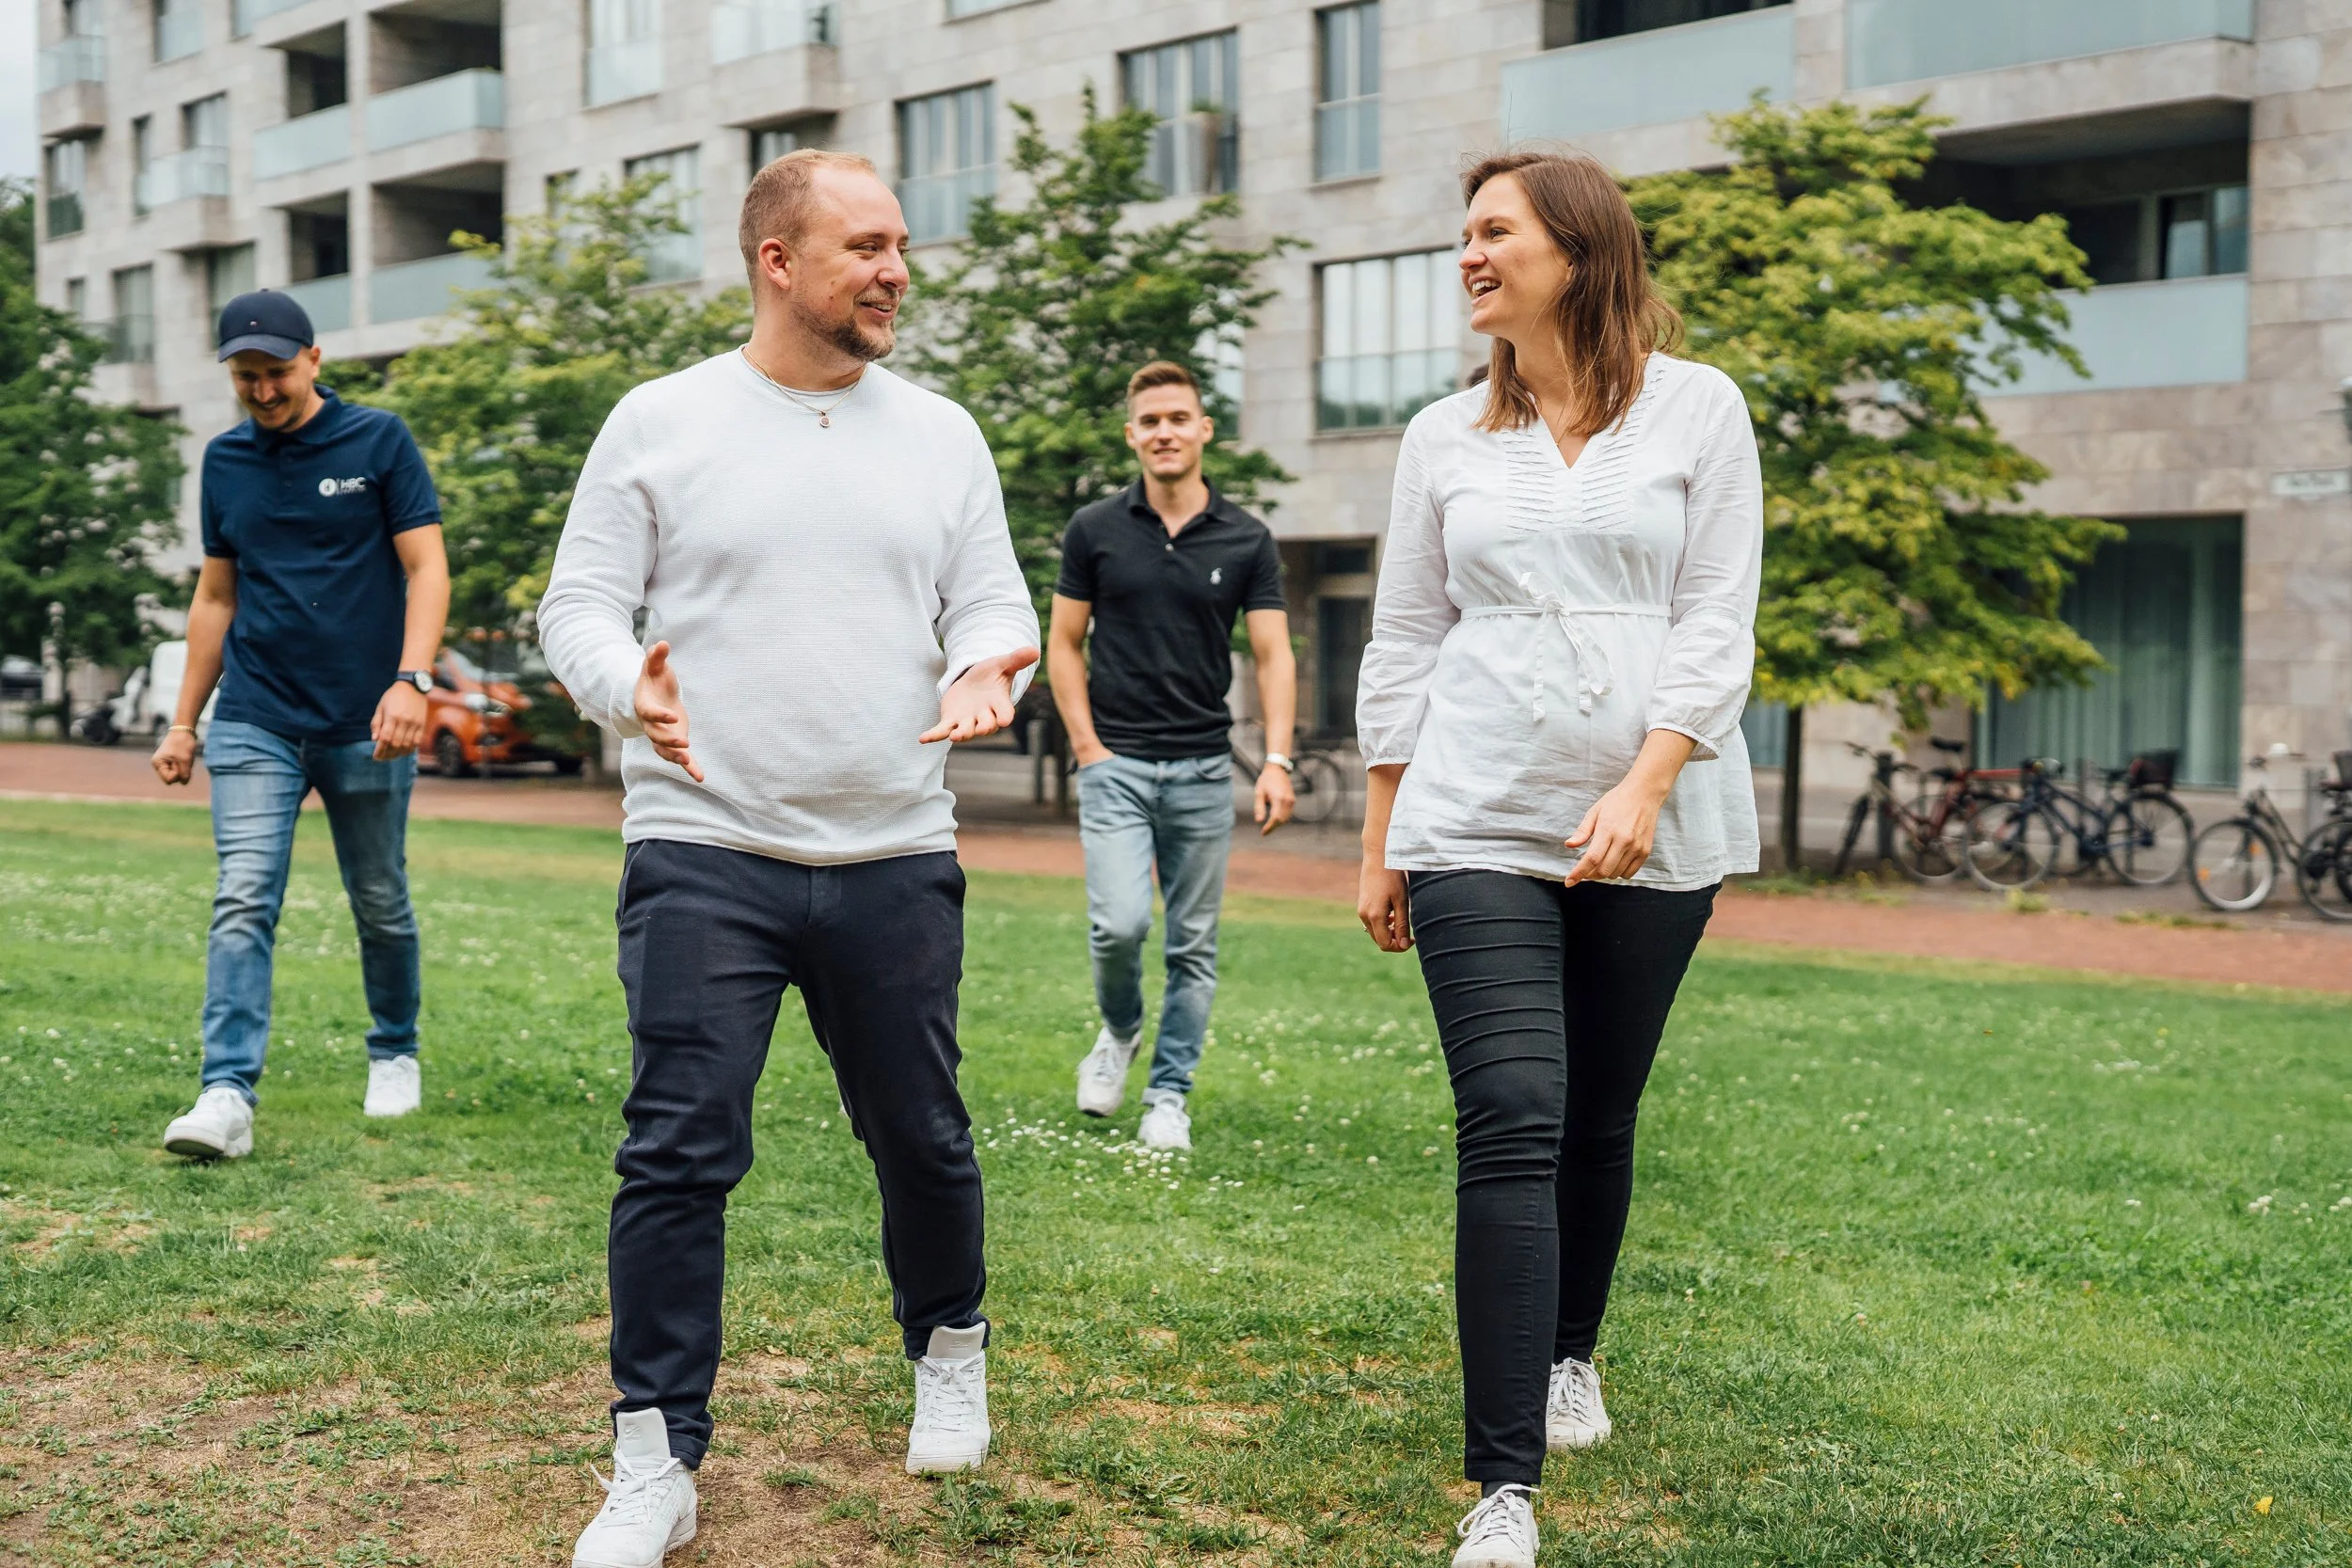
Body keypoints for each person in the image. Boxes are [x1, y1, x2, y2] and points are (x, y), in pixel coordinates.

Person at [537, 149, 1041, 1568]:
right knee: (676, 1147)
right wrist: (625, 687)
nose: (896, 271)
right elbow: (578, 605)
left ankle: (949, 1343)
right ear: (778, 259)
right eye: (867, 246)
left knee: (919, 1131)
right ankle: (655, 1458)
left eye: (900, 246)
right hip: (705, 843)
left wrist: (985, 664)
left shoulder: (941, 433)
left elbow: (991, 601)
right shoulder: (662, 419)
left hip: (892, 845)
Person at [1353, 152, 1761, 1568]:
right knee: (1513, 1110)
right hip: (1473, 812)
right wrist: (1383, 837)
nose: (1467, 254)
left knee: (1596, 1111)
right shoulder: (1443, 435)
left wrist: (1650, 777)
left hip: (1658, 820)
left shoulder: (1698, 408)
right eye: (1462, 234)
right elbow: (1406, 633)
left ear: (1578, 251)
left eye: (1494, 231)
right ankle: (1503, 1485)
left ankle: (1570, 1349)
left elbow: (1716, 614)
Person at [155, 289, 451, 1161]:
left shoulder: (379, 441)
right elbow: (216, 596)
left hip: (368, 719)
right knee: (243, 896)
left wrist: (413, 679)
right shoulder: (224, 461)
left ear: (314, 360)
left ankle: (394, 1049)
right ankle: (225, 1093)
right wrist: (183, 722)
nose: (263, 390)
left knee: (380, 898)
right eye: (246, 376)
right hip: (256, 715)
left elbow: (427, 568)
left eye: (277, 372)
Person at [1048, 360, 1296, 1153]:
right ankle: (1120, 1029)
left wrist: (1279, 759)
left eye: (1178, 418)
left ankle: (1168, 1096)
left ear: (1203, 429)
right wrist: (1087, 747)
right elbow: (1063, 642)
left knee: (1192, 945)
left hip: (1201, 770)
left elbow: (1273, 654)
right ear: (1132, 435)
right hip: (1115, 766)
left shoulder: (1246, 537)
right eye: (1150, 421)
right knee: (1118, 926)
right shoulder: (1094, 529)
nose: (1164, 432)